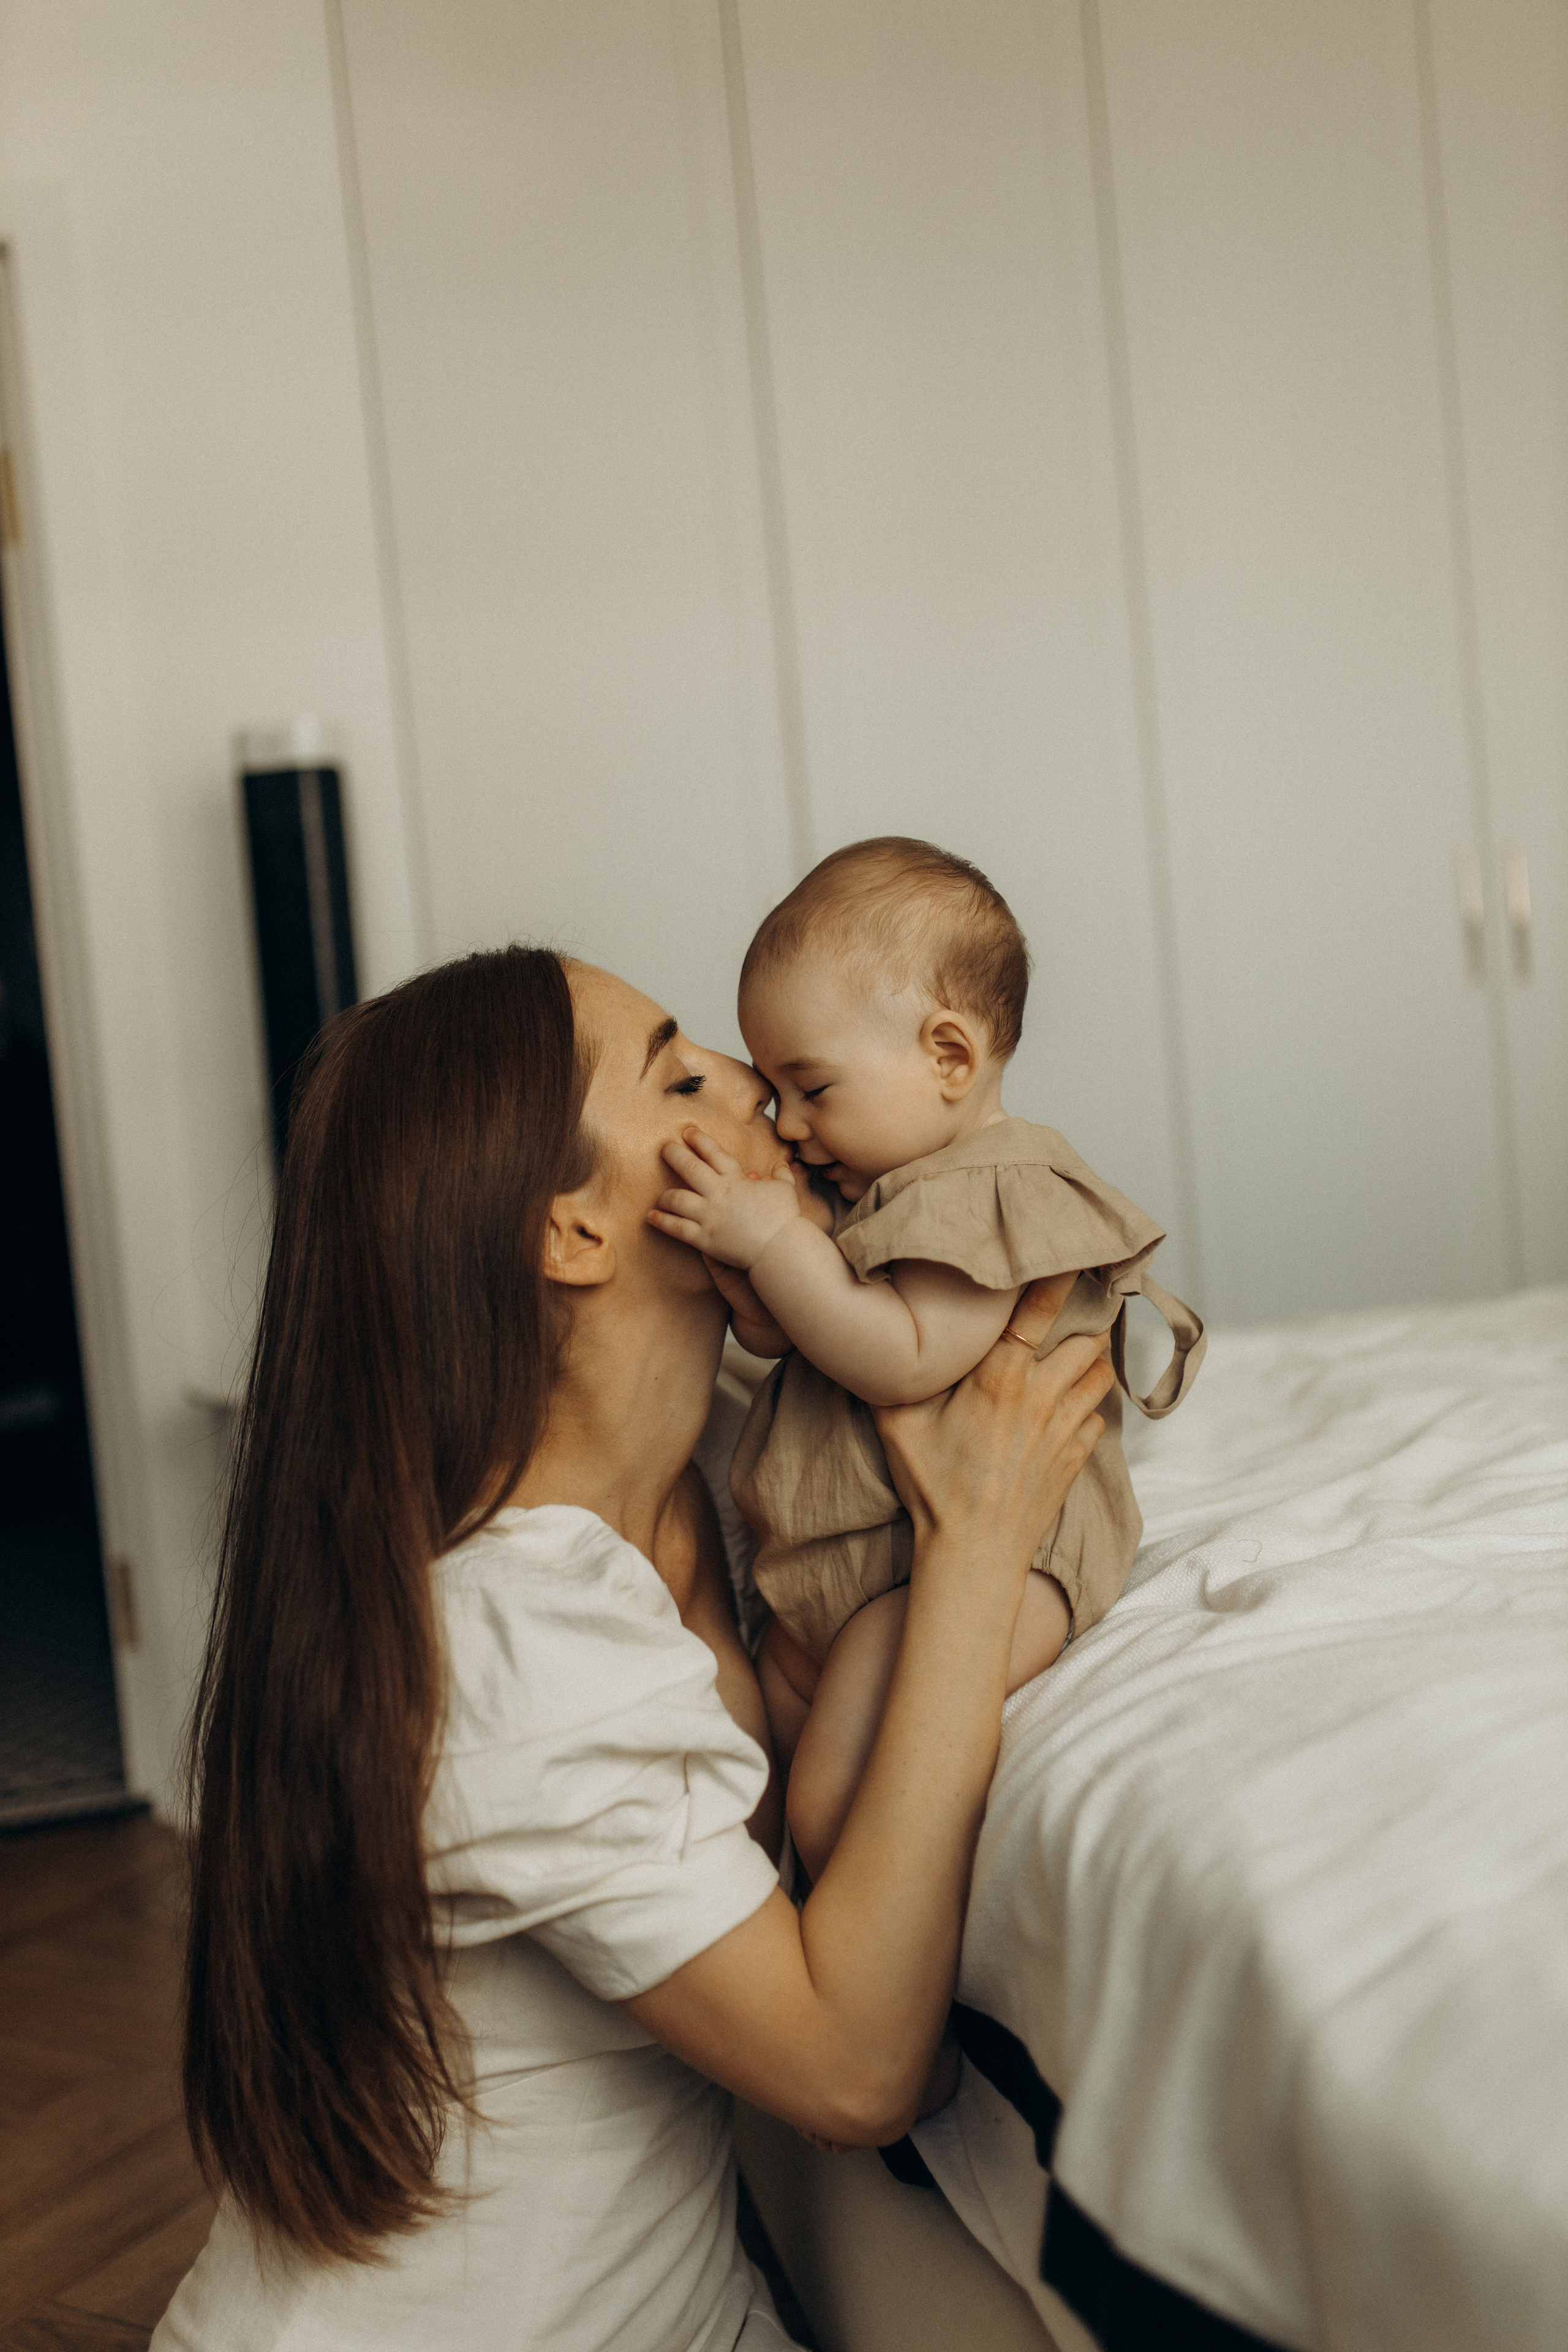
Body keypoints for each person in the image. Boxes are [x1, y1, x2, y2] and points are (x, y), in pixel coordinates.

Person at [153, 942, 1114, 2352]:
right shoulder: (511, 1644)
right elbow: (854, 2072)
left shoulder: (709, 1464)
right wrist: (975, 1558)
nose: (746, 1084)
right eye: (679, 1071)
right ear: (574, 1236)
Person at [649, 839, 1204, 1885]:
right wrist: (753, 1287)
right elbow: (805, 1343)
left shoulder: (990, 1190)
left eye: (810, 1088)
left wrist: (778, 1246)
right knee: (770, 1755)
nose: (792, 1125)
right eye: (775, 1091)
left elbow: (900, 1356)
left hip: (986, 1558)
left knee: (830, 1800)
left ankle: (894, 1992)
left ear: (950, 1057)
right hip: (858, 1564)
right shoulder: (877, 1191)